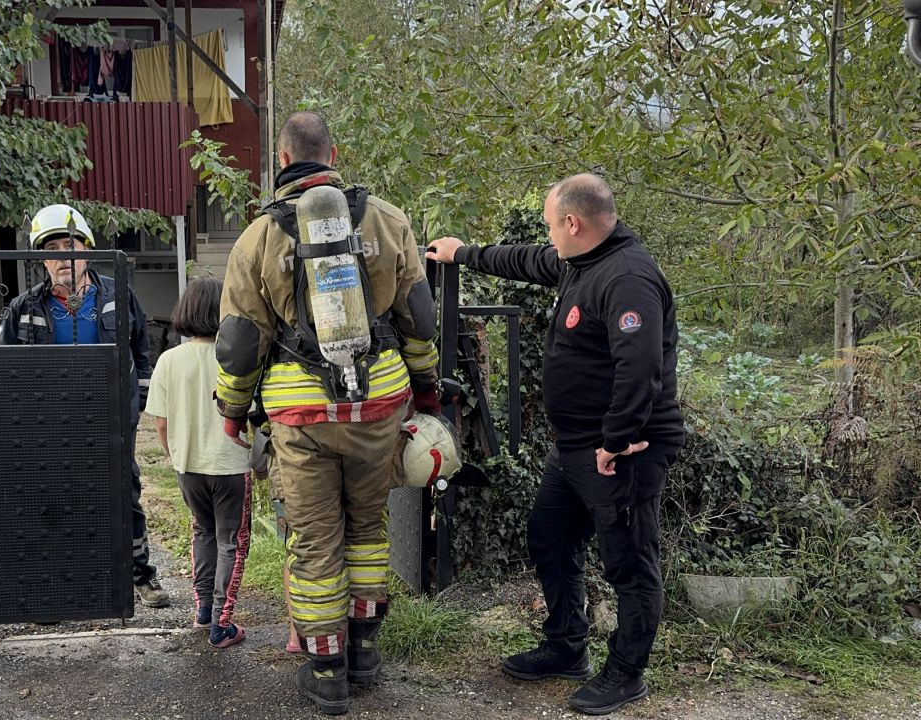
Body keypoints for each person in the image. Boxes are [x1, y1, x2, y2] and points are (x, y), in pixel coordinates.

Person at [426, 174, 684, 716]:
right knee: (548, 536)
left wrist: (618, 440)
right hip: (574, 448)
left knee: (630, 563)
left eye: (551, 224)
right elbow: (526, 260)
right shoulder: (579, 260)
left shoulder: (628, 277)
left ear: (574, 222)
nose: (548, 236)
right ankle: (567, 645)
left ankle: (626, 673)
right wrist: (462, 253)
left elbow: (640, 370)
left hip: (619, 452)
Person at [216, 111, 441, 715]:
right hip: (379, 405)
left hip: (302, 415)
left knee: (316, 543)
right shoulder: (389, 219)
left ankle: (326, 672)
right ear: (334, 155)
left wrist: (233, 412)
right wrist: (425, 390)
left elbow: (240, 341)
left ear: (283, 160)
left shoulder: (258, 237)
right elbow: (419, 319)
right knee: (368, 530)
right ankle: (366, 651)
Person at [0, 203, 170, 609]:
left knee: (123, 494)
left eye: (70, 245)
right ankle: (55, 587)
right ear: (42, 259)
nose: (63, 257)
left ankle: (140, 575)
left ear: (87, 250)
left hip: (111, 418)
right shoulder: (24, 308)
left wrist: (136, 403)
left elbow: (142, 351)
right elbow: (3, 368)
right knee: (51, 499)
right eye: (53, 249)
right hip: (49, 424)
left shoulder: (116, 293)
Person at [145, 277, 252, 648]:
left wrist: (175, 456)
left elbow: (160, 421)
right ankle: (222, 624)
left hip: (188, 466)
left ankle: (203, 610)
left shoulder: (169, 360)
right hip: (232, 464)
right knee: (231, 542)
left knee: (202, 533)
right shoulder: (237, 358)